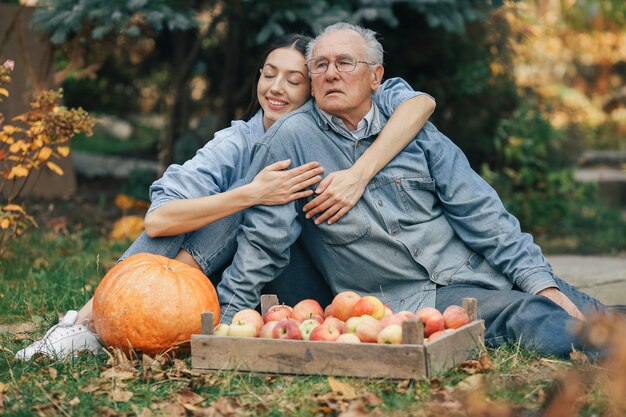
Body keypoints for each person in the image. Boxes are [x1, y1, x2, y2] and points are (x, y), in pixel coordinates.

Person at [15, 33, 436, 360]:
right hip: (233, 283)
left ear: (314, 89)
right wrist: (248, 194)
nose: (276, 88)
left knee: (252, 195)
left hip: (305, 287)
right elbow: (159, 222)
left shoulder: (330, 131)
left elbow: (418, 102)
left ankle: (103, 319)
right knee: (236, 198)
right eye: (269, 73)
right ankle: (101, 318)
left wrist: (352, 174)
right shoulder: (238, 139)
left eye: (294, 80)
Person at [215, 23, 608, 358]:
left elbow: (483, 213)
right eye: (320, 65)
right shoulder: (292, 140)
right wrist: (226, 321)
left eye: (345, 63)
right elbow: (264, 240)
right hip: (408, 302)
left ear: (375, 76)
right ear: (313, 81)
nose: (331, 73)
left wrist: (543, 284)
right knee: (530, 315)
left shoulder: (412, 128)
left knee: (590, 310)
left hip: (478, 273)